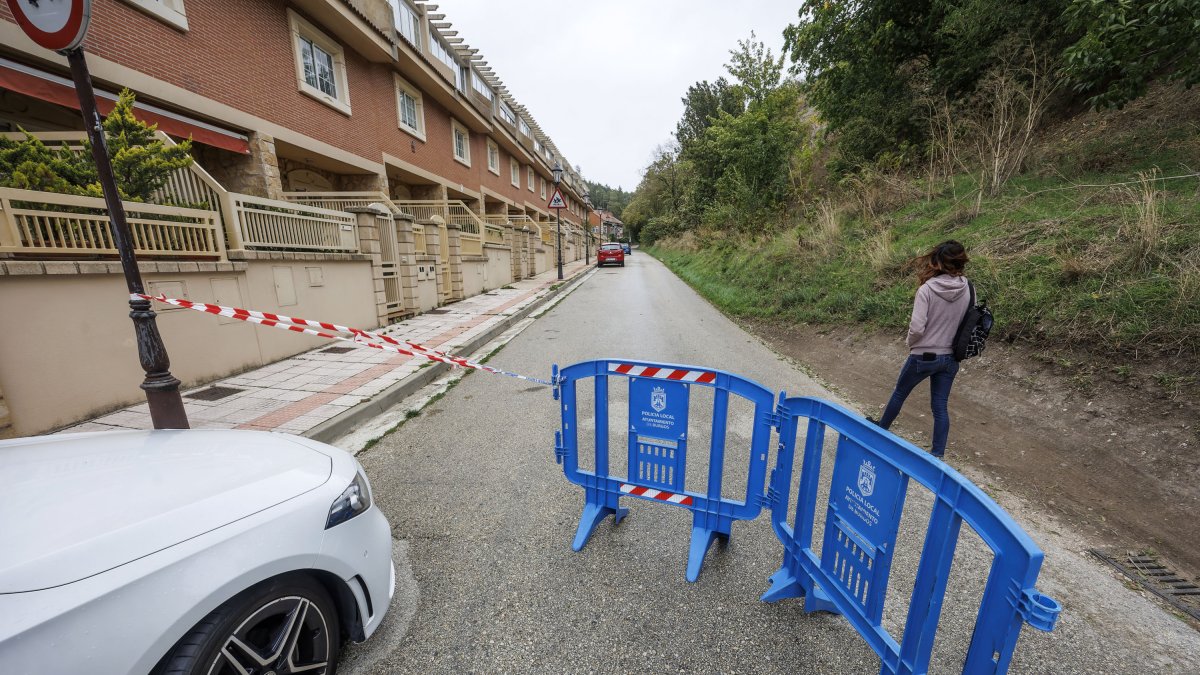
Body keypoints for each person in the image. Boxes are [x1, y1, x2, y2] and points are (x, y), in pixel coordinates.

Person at [871, 240, 971, 458]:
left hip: (923, 355)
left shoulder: (926, 290)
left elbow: (917, 327)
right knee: (940, 406)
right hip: (951, 357)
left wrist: (911, 343)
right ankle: (937, 454)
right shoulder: (968, 287)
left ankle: (881, 430)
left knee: (900, 393)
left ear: (936, 262)